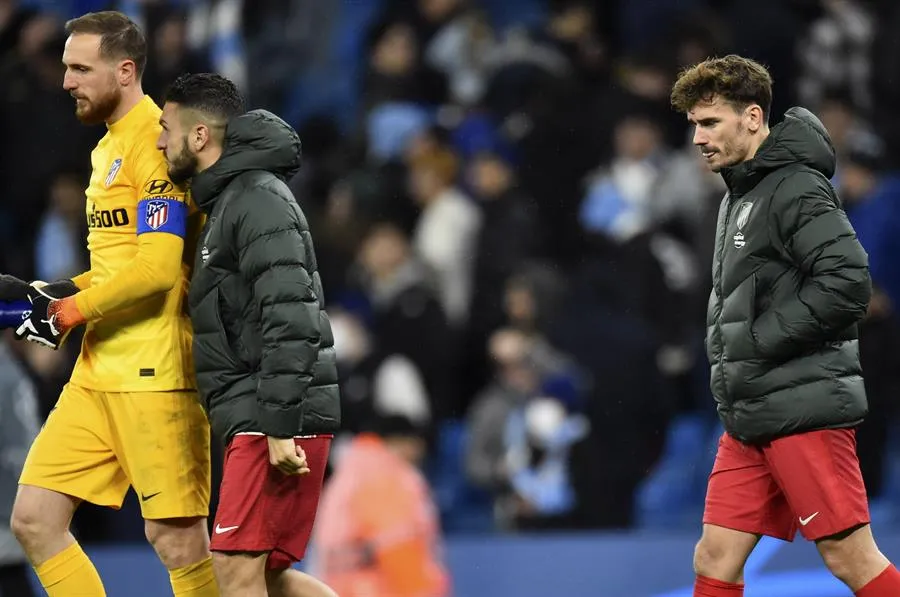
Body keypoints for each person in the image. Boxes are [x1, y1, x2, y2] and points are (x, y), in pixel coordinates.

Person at [1, 12, 218, 597]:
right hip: (99, 371)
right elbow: (115, 269)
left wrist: (71, 312)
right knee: (34, 520)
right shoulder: (105, 150)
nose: (66, 81)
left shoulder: (158, 144)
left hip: (155, 373)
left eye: (79, 68)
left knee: (178, 543)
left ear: (125, 71)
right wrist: (50, 294)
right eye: (66, 66)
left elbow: (156, 269)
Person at [669, 54, 900, 597]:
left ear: (752, 117)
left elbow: (848, 281)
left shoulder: (795, 186)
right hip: (752, 413)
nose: (698, 139)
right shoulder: (739, 194)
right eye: (694, 126)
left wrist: (758, 340)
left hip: (802, 406)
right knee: (715, 556)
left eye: (710, 123)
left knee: (849, 557)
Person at [157, 72, 340, 597]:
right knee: (264, 576)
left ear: (199, 137)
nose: (159, 140)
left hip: (272, 417)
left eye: (167, 128)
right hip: (265, 415)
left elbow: (293, 314)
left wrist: (278, 425)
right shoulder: (230, 202)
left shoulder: (256, 198)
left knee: (236, 572)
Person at [311, 414, 451, 597]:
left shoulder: (349, 472)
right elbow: (396, 543)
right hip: (374, 588)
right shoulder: (384, 476)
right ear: (401, 441)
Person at [0, 332, 39, 597]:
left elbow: (20, 450)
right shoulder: (12, 372)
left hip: (7, 511)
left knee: (13, 578)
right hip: (14, 506)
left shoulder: (7, 376)